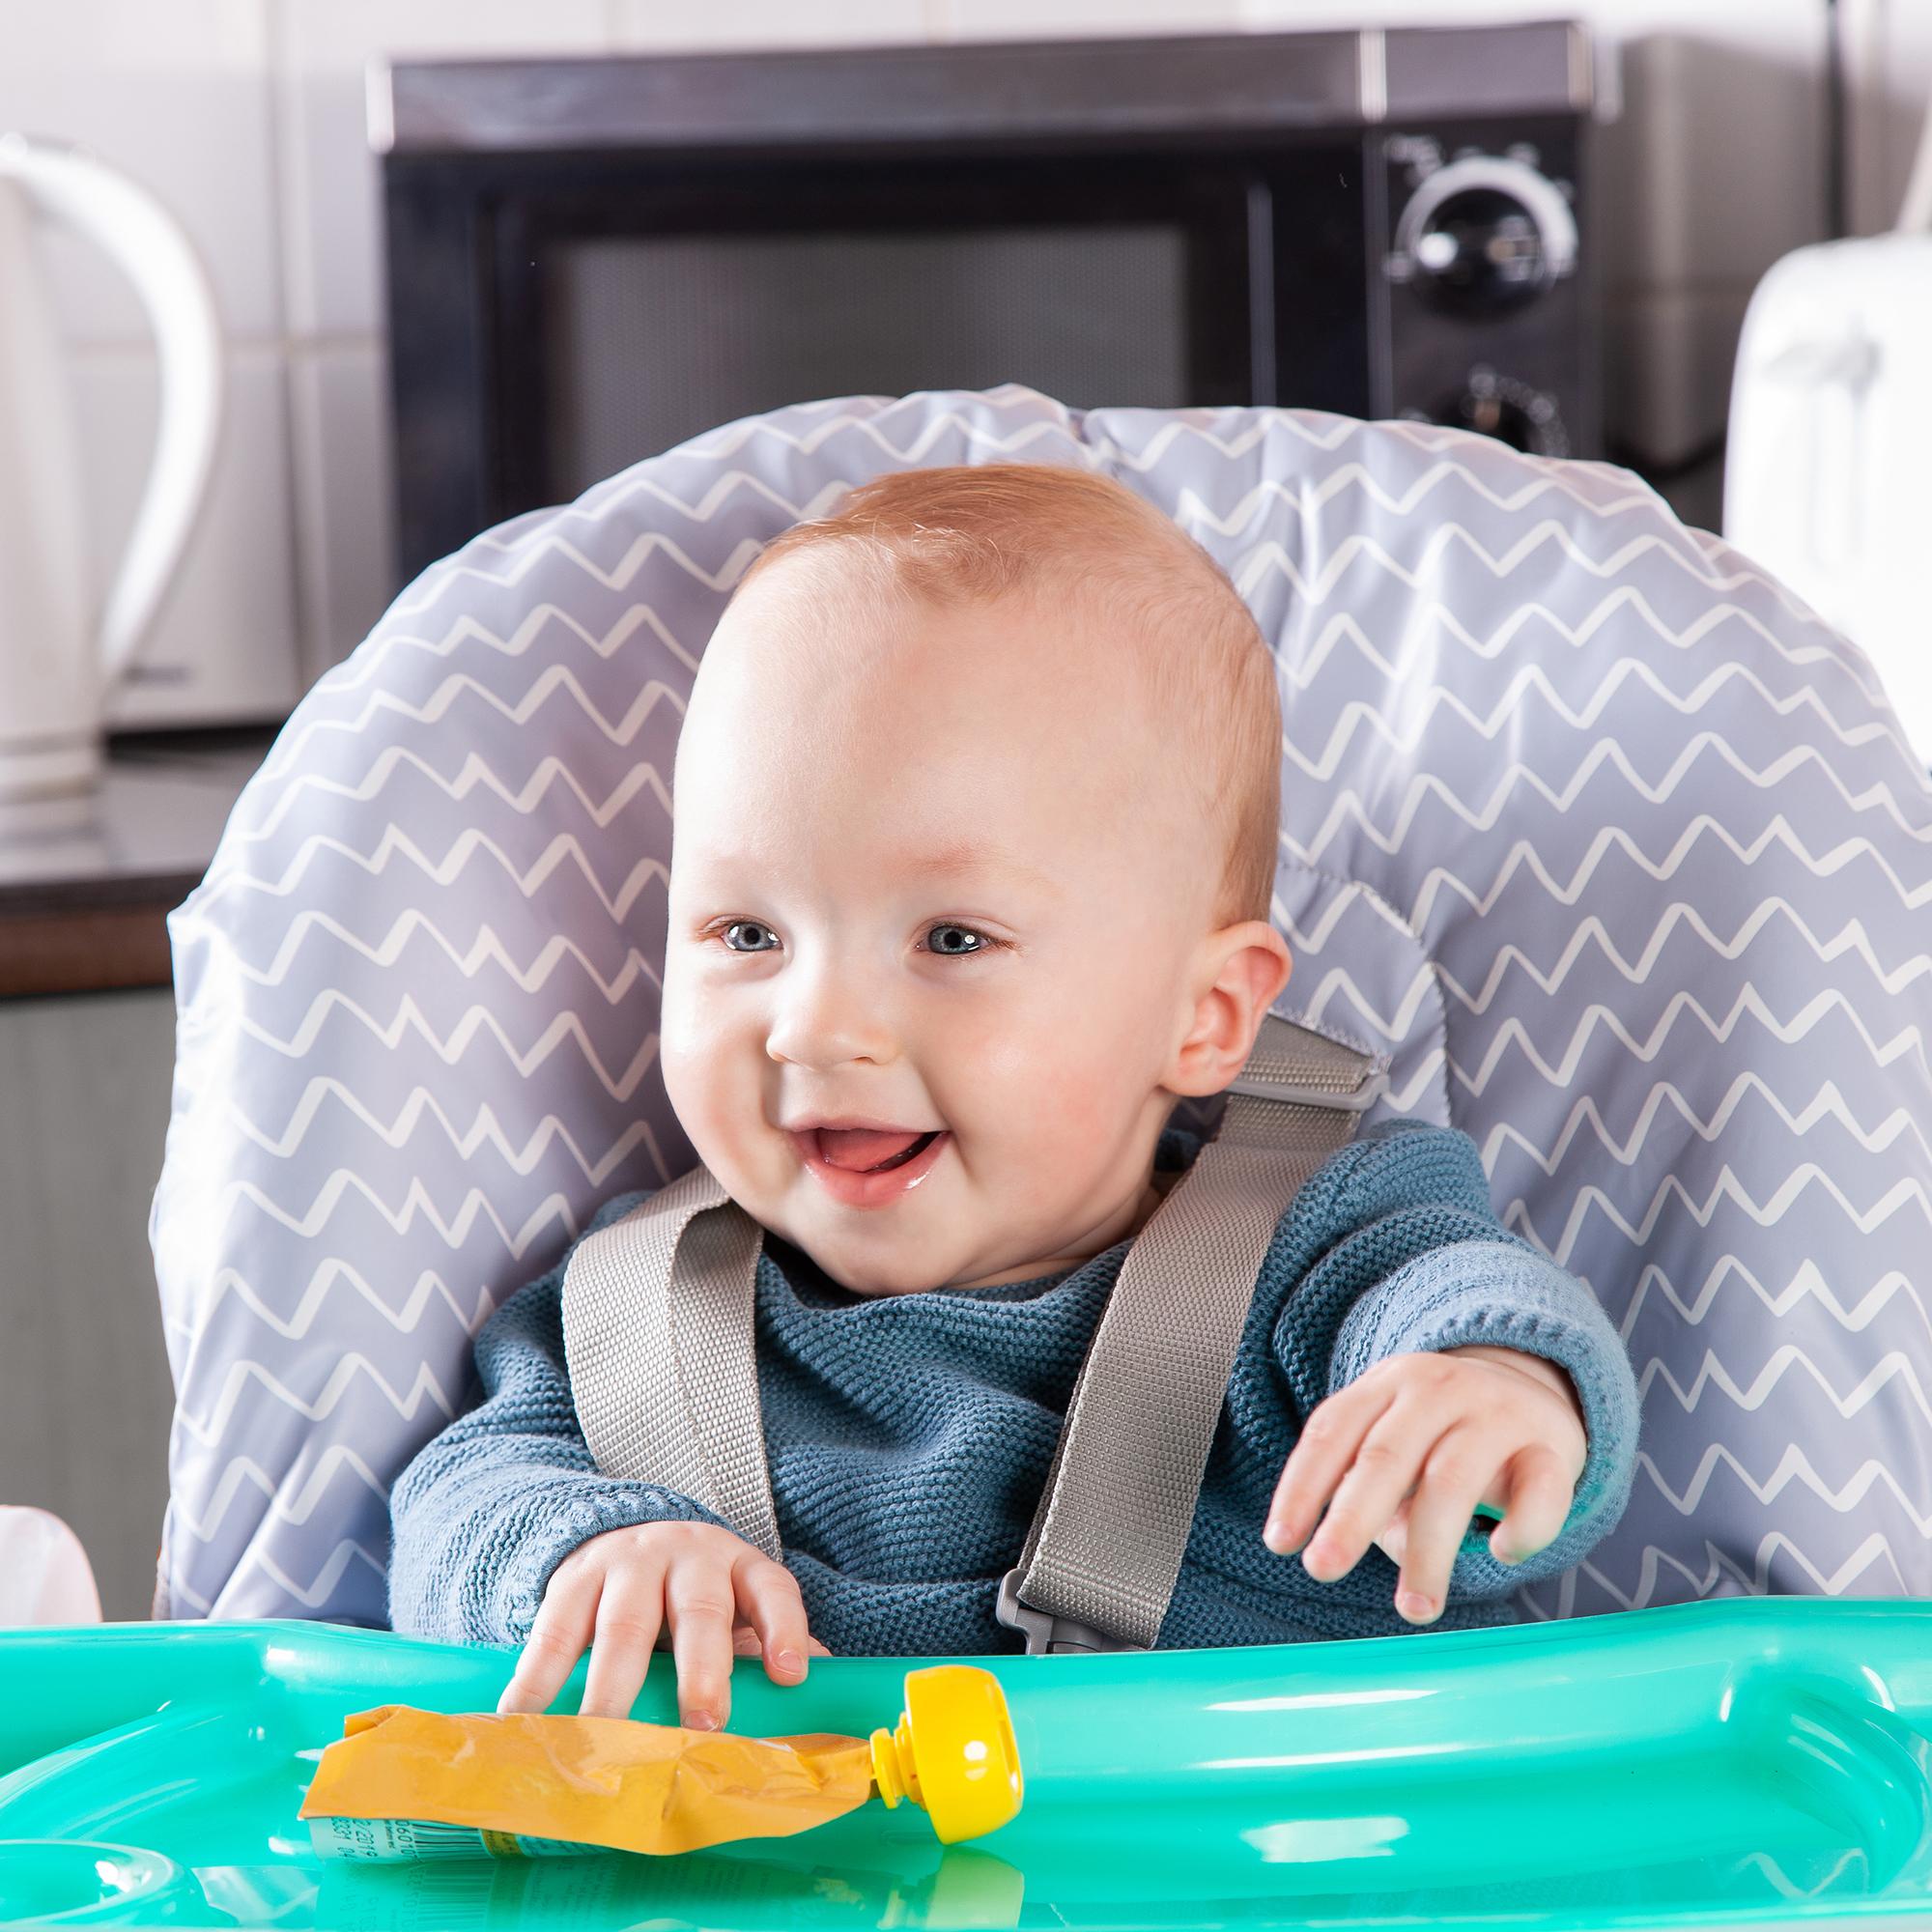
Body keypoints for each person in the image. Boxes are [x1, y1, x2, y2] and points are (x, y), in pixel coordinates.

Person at [386, 462, 1639, 1733]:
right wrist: (592, 1558)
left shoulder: (1317, 1245)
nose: (817, 1026)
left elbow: (1458, 1306)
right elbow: (460, 1502)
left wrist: (1489, 1391)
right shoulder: (633, 1312)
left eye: (953, 940)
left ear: (1202, 1017)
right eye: (746, 933)